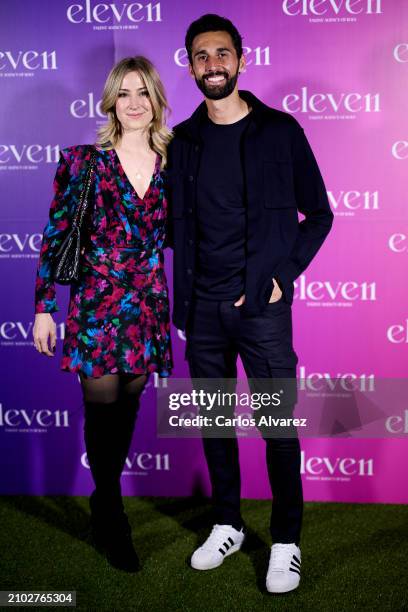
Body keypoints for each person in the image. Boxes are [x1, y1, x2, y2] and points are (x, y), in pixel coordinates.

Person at [167, 14, 333, 593]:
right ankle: (227, 523)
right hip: (201, 312)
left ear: (240, 58)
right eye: (201, 56)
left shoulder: (281, 131)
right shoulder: (181, 142)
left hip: (262, 312)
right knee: (215, 426)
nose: (212, 64)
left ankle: (285, 541)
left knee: (277, 429)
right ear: (189, 66)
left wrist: (283, 276)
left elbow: (320, 214)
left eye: (221, 53)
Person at [33, 56, 173, 573]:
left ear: (156, 100)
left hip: (148, 298)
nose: (134, 103)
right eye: (124, 93)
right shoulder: (82, 161)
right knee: (102, 401)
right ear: (110, 101)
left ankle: (103, 498)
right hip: (96, 299)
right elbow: (56, 235)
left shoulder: (174, 160)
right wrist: (46, 307)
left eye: (143, 93)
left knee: (129, 399)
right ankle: (111, 508)